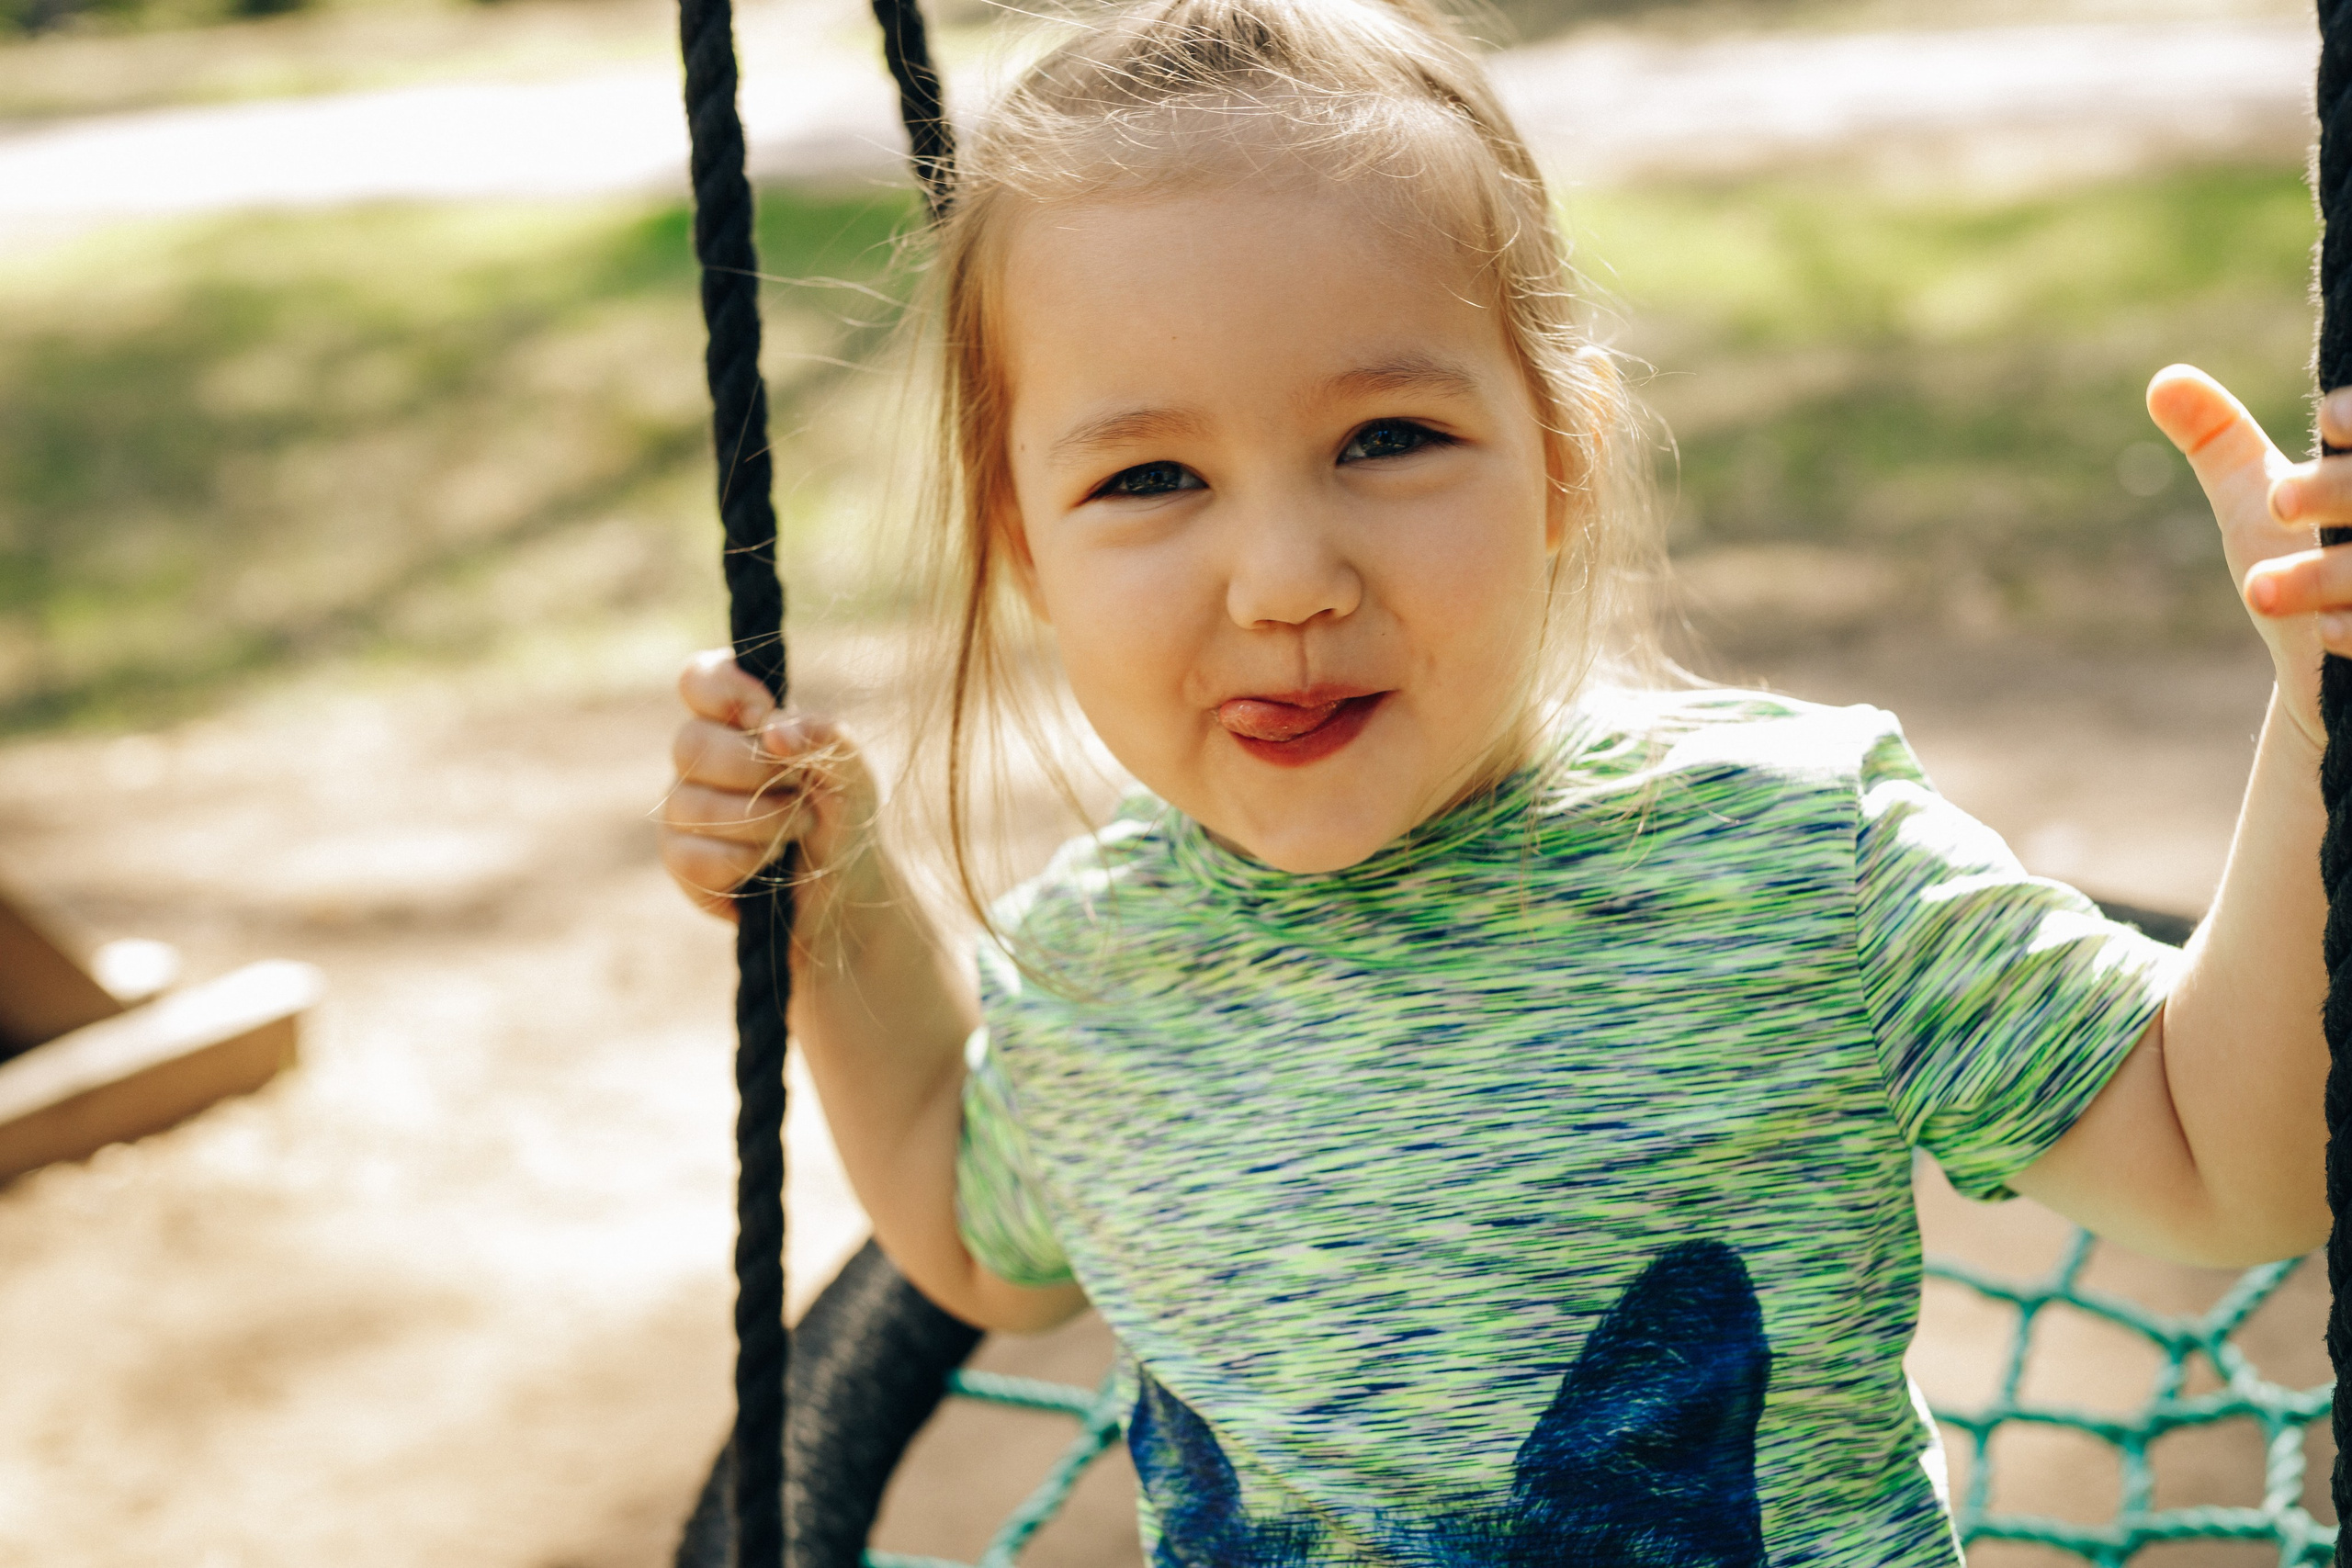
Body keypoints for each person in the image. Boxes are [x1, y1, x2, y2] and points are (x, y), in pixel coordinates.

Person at [655, 0, 2341, 1558]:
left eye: (1385, 441)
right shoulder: (1104, 969)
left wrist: (2318, 710)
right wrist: (835, 910)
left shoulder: (1785, 860)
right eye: (1153, 475)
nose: (1286, 579)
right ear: (1026, 546)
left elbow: (2230, 1163)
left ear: (1563, 456)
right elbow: (970, 1248)